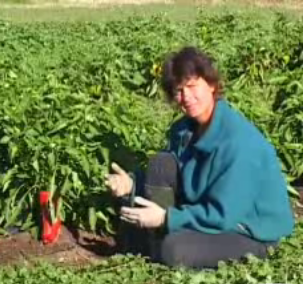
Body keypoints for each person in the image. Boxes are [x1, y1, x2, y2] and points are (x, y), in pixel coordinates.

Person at [105, 46, 295, 269]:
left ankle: (160, 246)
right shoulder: (184, 130)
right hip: (210, 212)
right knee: (161, 163)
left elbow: (223, 214)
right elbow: (169, 173)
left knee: (175, 249)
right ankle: (153, 244)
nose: (186, 97)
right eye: (178, 90)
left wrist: (167, 218)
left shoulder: (239, 143)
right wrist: (132, 183)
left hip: (248, 230)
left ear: (212, 85)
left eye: (192, 86)